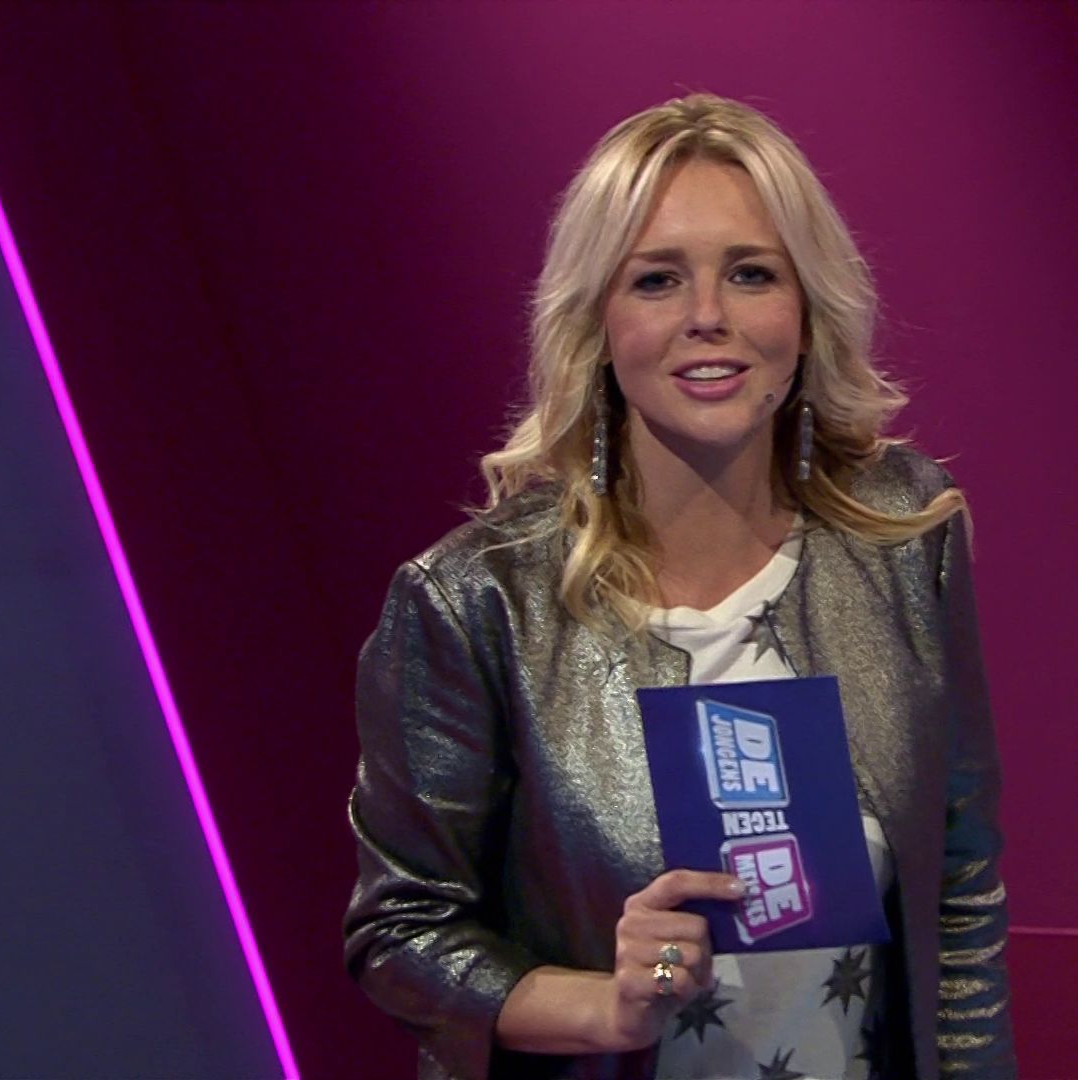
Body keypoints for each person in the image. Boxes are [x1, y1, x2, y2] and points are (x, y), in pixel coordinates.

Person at [343, 92, 1014, 1080]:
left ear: (806, 309)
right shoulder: (476, 603)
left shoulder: (903, 535)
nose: (708, 318)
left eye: (751, 273)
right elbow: (401, 931)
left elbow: (960, 888)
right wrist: (605, 1007)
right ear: (598, 320)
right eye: (657, 280)